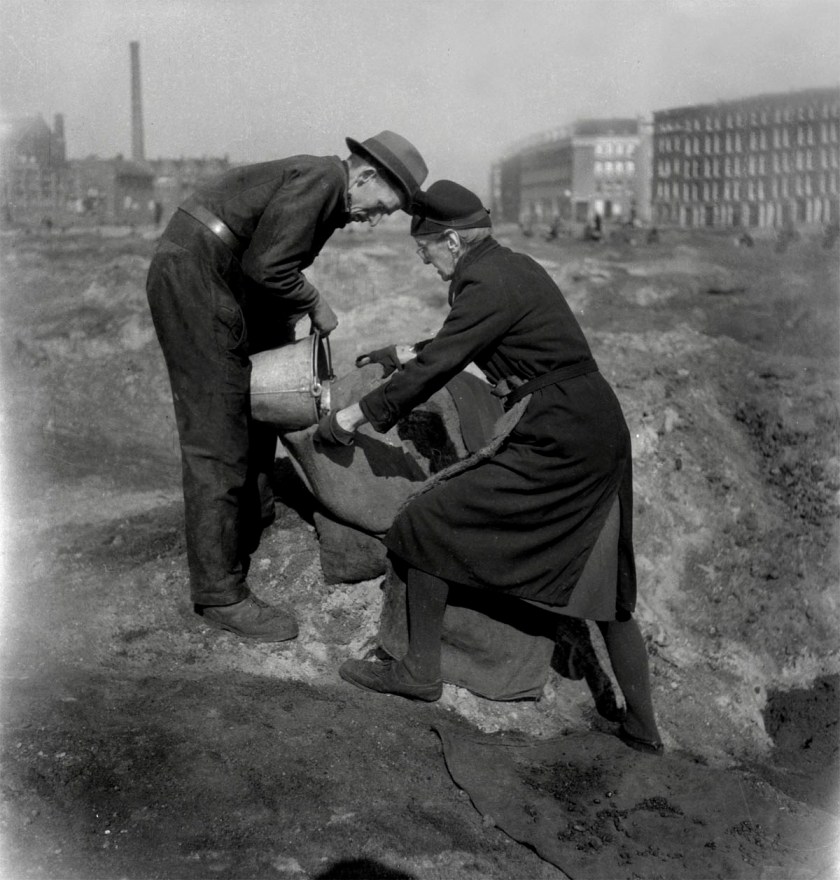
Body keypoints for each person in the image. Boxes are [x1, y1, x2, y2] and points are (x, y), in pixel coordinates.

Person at [317, 180, 663, 754]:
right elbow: (477, 336)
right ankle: (644, 727)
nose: (426, 262)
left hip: (558, 434)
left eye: (425, 250)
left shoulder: (481, 280)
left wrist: (353, 417)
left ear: (451, 240)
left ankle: (418, 672)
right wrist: (403, 353)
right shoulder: (510, 266)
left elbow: (449, 357)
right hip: (593, 426)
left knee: (423, 521)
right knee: (606, 585)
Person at [146, 131, 428, 643]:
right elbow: (268, 266)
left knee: (252, 401)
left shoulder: (324, 188)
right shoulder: (323, 179)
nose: (375, 219)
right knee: (218, 435)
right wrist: (314, 303)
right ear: (363, 176)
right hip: (198, 278)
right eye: (382, 206)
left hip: (218, 274)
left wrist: (285, 334)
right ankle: (220, 594)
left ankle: (250, 520)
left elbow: (266, 259)